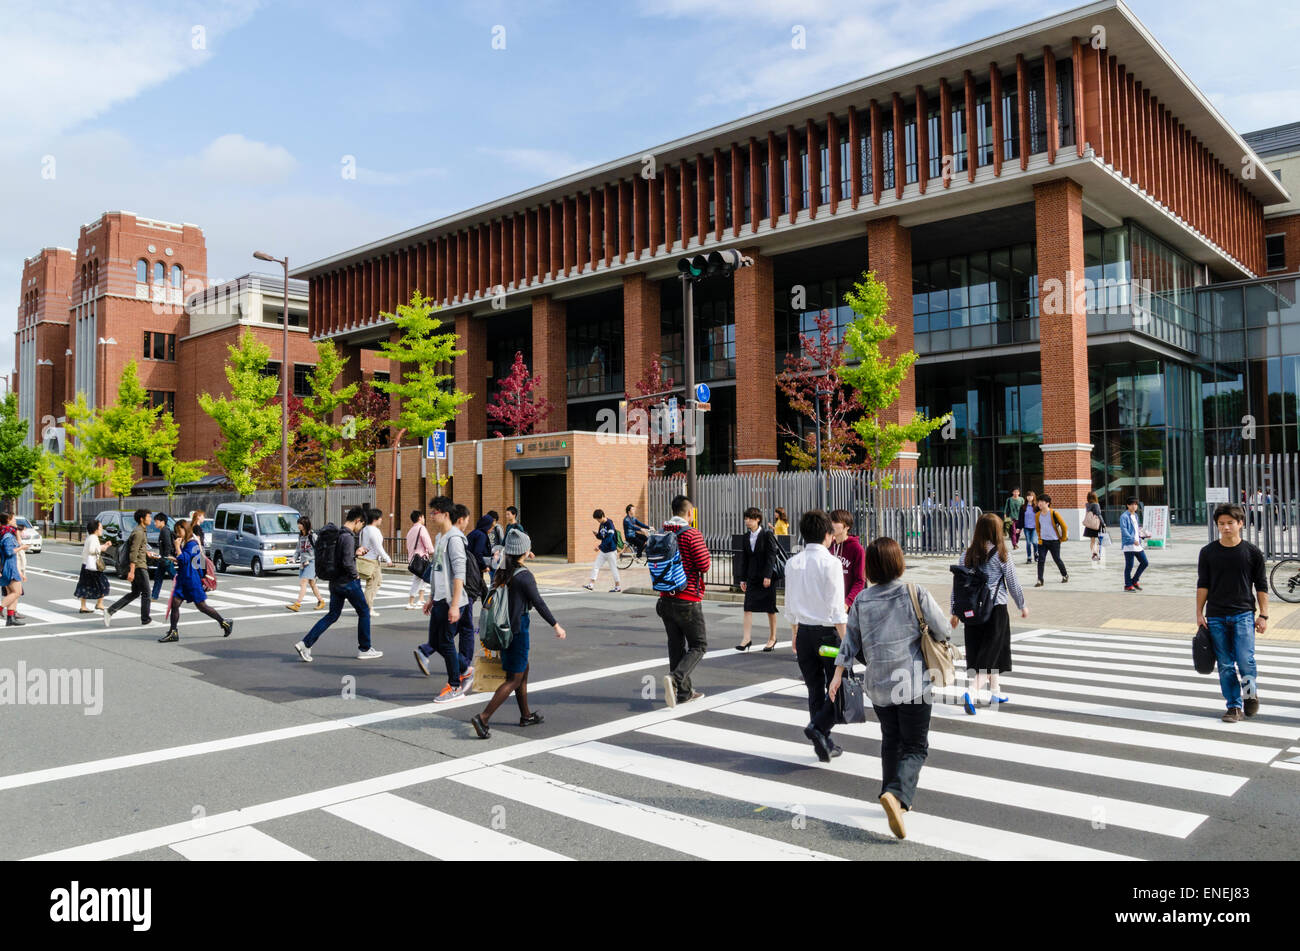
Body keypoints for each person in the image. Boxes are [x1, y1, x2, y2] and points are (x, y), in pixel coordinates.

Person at [829, 536, 950, 840]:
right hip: (911, 683)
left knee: (890, 740)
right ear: (898, 562)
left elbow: (850, 641)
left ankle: (887, 792)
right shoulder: (914, 592)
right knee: (915, 746)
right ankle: (896, 796)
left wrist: (837, 674)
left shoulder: (862, 600)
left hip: (879, 685)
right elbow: (943, 629)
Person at [469, 530, 567, 739]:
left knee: (522, 670)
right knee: (514, 678)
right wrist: (556, 625)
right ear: (523, 551)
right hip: (517, 630)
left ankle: (526, 715)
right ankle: (483, 717)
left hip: (503, 629)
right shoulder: (524, 576)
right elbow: (539, 603)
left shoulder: (503, 569)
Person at [784, 509, 848, 762]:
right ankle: (819, 729)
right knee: (840, 685)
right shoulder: (831, 563)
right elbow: (836, 608)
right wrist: (847, 641)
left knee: (814, 687)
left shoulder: (793, 562)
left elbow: (789, 604)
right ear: (826, 534)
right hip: (827, 635)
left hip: (804, 632)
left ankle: (822, 737)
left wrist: (794, 632)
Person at [1196, 503, 1268, 723]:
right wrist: (1199, 613)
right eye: (1221, 524)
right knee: (1226, 664)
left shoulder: (1252, 552)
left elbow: (1261, 585)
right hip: (1216, 615)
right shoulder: (1208, 552)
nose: (1225, 527)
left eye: (1230, 523)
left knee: (1246, 660)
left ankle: (1249, 695)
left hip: (1244, 614)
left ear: (1240, 524)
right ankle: (1234, 706)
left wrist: (1263, 615)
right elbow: (1203, 584)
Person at [950, 512, 1027, 714]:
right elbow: (1013, 583)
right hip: (996, 610)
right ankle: (972, 692)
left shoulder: (966, 554)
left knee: (988, 651)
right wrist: (1022, 605)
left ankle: (996, 691)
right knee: (991, 653)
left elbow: (957, 586)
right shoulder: (1001, 554)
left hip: (972, 612)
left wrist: (954, 611)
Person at [293, 507, 383, 662]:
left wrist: (355, 552)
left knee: (332, 615)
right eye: (361, 525)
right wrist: (355, 575)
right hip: (348, 582)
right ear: (357, 521)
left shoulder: (337, 534)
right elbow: (347, 562)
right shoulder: (347, 537)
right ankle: (365, 648)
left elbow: (340, 556)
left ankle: (305, 643)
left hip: (334, 582)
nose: (360, 528)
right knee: (363, 612)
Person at [414, 496, 473, 701]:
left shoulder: (454, 539)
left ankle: (455, 686)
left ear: (445, 514)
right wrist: (431, 597)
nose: (431, 517)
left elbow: (459, 574)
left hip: (452, 601)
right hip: (439, 599)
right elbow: (437, 571)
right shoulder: (440, 538)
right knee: (436, 642)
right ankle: (465, 669)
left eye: (434, 513)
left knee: (446, 642)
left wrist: (455, 605)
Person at [658, 494, 711, 707]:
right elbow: (704, 565)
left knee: (676, 647)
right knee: (699, 645)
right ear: (690, 512)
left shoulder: (662, 532)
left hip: (665, 599)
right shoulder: (691, 534)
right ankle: (675, 679)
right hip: (687, 598)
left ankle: (683, 693)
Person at [158, 520, 233, 643]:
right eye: (176, 532)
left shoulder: (191, 544)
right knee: (175, 604)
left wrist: (177, 547)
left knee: (202, 607)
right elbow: (188, 561)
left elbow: (184, 560)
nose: (177, 534)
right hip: (185, 579)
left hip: (191, 581)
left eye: (179, 531)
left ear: (185, 529)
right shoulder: (189, 543)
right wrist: (175, 558)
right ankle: (173, 632)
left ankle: (224, 622)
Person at [736, 506, 779, 651]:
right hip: (752, 577)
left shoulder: (767, 534)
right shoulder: (746, 537)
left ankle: (772, 638)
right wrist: (742, 579)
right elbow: (745, 558)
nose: (747, 521)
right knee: (747, 607)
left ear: (758, 519)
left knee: (770, 608)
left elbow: (771, 555)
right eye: (746, 518)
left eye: (750, 518)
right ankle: (746, 638)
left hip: (766, 577)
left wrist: (767, 575)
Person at [104, 509, 152, 628]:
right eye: (148, 517)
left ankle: (110, 611)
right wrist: (131, 571)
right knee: (147, 593)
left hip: (139, 564)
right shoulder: (139, 532)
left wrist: (147, 553)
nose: (150, 519)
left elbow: (138, 548)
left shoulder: (140, 531)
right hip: (139, 566)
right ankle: (145, 619)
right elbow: (133, 552)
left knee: (135, 593)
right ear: (142, 519)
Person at [453, 504, 483, 677]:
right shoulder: (455, 539)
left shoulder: (452, 538)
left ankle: (464, 665)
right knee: (445, 638)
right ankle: (463, 667)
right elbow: (459, 573)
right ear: (461, 519)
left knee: (464, 628)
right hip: (463, 594)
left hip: (461, 594)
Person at [357, 507, 392, 616]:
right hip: (372, 561)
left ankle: (366, 607)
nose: (381, 520)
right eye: (380, 518)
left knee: (373, 583)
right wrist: (388, 559)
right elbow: (378, 547)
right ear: (376, 519)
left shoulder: (364, 529)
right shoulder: (374, 531)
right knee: (372, 585)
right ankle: (368, 608)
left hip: (364, 559)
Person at [286, 515, 325, 612]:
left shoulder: (313, 536)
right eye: (298, 524)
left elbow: (320, 550)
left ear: (305, 525)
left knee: (303, 582)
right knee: (312, 583)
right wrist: (294, 558)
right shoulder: (301, 536)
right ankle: (321, 601)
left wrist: (316, 561)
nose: (299, 525)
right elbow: (298, 550)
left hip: (312, 562)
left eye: (301, 524)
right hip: (304, 563)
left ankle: (297, 604)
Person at [829, 509, 866, 609]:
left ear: (847, 527)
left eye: (836, 522)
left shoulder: (857, 549)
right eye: (831, 521)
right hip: (829, 604)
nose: (832, 524)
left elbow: (860, 580)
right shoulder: (829, 547)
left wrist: (847, 603)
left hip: (848, 606)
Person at [76, 518, 112, 614]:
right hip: (93, 567)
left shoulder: (90, 537)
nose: (102, 529)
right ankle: (99, 603)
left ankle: (83, 606)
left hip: (86, 565)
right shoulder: (93, 538)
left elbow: (94, 549)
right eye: (100, 527)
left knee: (85, 585)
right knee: (103, 584)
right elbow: (93, 550)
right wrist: (102, 547)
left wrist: (104, 546)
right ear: (96, 529)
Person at [1032, 494, 1069, 586]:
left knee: (1057, 559)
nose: (1039, 503)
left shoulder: (1054, 513)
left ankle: (1065, 575)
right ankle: (1040, 580)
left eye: (1042, 502)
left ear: (1047, 503)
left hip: (1054, 541)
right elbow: (1037, 528)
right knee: (1041, 560)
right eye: (1038, 502)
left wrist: (1063, 538)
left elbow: (1064, 526)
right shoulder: (1037, 515)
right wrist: (1040, 538)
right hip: (1043, 541)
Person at [584, 509, 622, 592]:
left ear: (601, 516)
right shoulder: (601, 524)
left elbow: (609, 538)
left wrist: (600, 546)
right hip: (603, 551)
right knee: (596, 566)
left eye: (598, 519)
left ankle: (618, 586)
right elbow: (601, 537)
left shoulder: (610, 523)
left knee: (613, 568)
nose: (597, 521)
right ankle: (591, 584)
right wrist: (596, 535)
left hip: (611, 551)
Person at [0, 514, 27, 626]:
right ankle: (1, 608)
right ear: (8, 520)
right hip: (10, 566)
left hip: (7, 566)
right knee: (17, 592)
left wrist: (16, 533)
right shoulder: (7, 535)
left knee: (12, 592)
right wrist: (22, 548)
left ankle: (10, 618)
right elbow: (9, 552)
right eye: (13, 519)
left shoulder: (7, 533)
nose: (15, 521)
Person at [405, 510, 434, 610]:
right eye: (423, 517)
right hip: (421, 558)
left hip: (413, 559)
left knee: (423, 578)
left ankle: (421, 599)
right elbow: (427, 542)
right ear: (420, 517)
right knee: (418, 579)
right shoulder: (422, 528)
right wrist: (432, 551)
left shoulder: (410, 530)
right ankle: (411, 601)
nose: (424, 519)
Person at [1120, 497, 1149, 592]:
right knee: (1129, 566)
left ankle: (1134, 580)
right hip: (1129, 544)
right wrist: (1133, 540)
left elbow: (1136, 529)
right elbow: (1124, 531)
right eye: (1132, 504)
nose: (1134, 506)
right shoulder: (1124, 516)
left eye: (1136, 504)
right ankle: (1128, 585)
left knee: (1145, 562)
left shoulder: (1135, 516)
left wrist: (1143, 535)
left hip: (1137, 544)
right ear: (1127, 505)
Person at [149, 512, 177, 602]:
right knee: (158, 577)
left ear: (162, 522)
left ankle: (185, 592)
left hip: (165, 559)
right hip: (163, 559)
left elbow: (168, 545)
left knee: (174, 577)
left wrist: (166, 556)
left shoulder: (165, 531)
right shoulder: (164, 530)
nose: (155, 523)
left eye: (156, 521)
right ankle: (154, 596)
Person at [1084, 491, 1107, 561]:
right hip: (1096, 525)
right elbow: (1099, 515)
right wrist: (1103, 523)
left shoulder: (1087, 505)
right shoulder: (1096, 504)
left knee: (1092, 541)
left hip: (1090, 525)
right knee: (1099, 540)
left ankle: (1093, 554)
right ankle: (1096, 553)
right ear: (1095, 497)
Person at [1020, 490, 1038, 565]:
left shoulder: (1036, 507)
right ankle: (1029, 558)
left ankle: (1036, 555)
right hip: (1026, 527)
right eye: (1028, 496)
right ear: (1026, 497)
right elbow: (1020, 517)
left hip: (1034, 527)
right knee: (1028, 543)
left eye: (1031, 496)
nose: (1029, 497)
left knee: (1034, 542)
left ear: (1033, 497)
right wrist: (1019, 527)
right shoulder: (1023, 507)